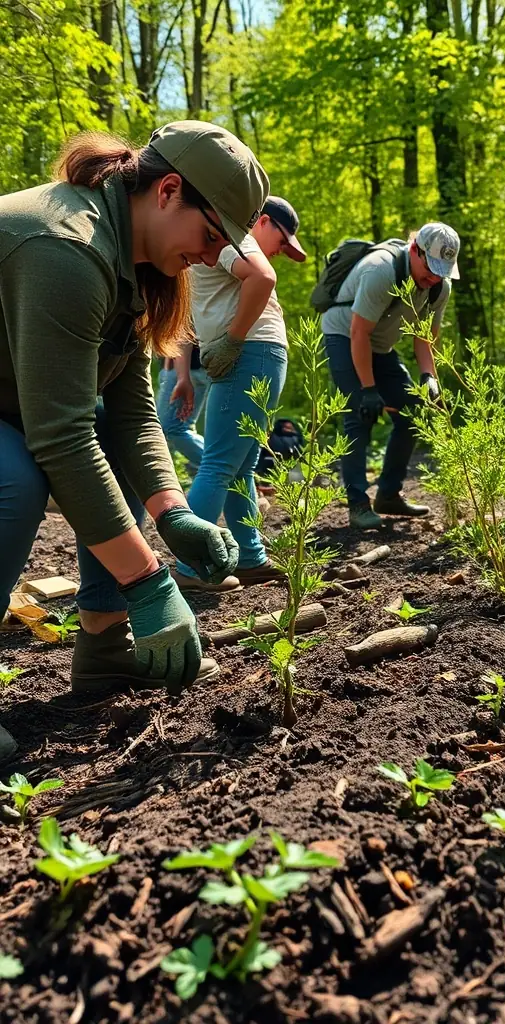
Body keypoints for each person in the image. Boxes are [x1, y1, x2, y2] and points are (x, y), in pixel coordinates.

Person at [0, 120, 270, 760]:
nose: (212, 257)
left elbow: (128, 415)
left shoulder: (135, 264)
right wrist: (150, 581)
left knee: (97, 447)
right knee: (14, 477)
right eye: (211, 236)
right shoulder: (66, 248)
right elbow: (60, 436)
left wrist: (174, 515)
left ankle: (105, 645)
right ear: (169, 190)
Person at [172, 195, 306, 593]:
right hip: (254, 353)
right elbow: (262, 278)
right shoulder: (235, 238)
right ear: (261, 221)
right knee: (225, 465)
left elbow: (255, 282)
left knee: (230, 464)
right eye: (281, 241)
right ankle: (201, 564)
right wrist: (231, 341)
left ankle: (232, 558)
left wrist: (228, 342)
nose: (281, 253)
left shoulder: (223, 243)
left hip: (251, 353)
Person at [321, 223, 459, 529]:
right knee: (359, 413)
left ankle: (389, 494)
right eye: (430, 267)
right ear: (414, 250)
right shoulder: (380, 270)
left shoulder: (440, 286)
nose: (434, 276)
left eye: (442, 270)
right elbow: (359, 333)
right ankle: (358, 504)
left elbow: (425, 337)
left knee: (413, 411)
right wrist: (369, 390)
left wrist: (429, 377)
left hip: (380, 345)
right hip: (344, 335)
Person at [156, 342, 210, 474]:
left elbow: (183, 332)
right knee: (182, 427)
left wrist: (181, 377)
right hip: (185, 366)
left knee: (172, 428)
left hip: (187, 368)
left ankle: (226, 470)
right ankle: (201, 484)